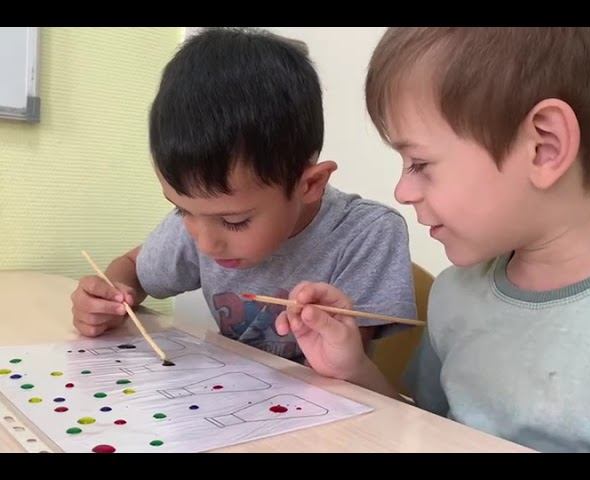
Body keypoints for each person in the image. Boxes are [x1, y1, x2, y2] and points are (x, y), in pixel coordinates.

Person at [276, 27, 590, 452]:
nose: (402, 191)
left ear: (544, 147)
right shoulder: (456, 294)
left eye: (419, 163)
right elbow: (427, 431)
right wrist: (352, 369)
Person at [70, 27, 417, 363]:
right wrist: (109, 297)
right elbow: (132, 267)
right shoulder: (203, 221)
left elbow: (344, 373)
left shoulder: (366, 235)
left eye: (234, 221)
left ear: (310, 185)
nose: (206, 243)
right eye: (181, 210)